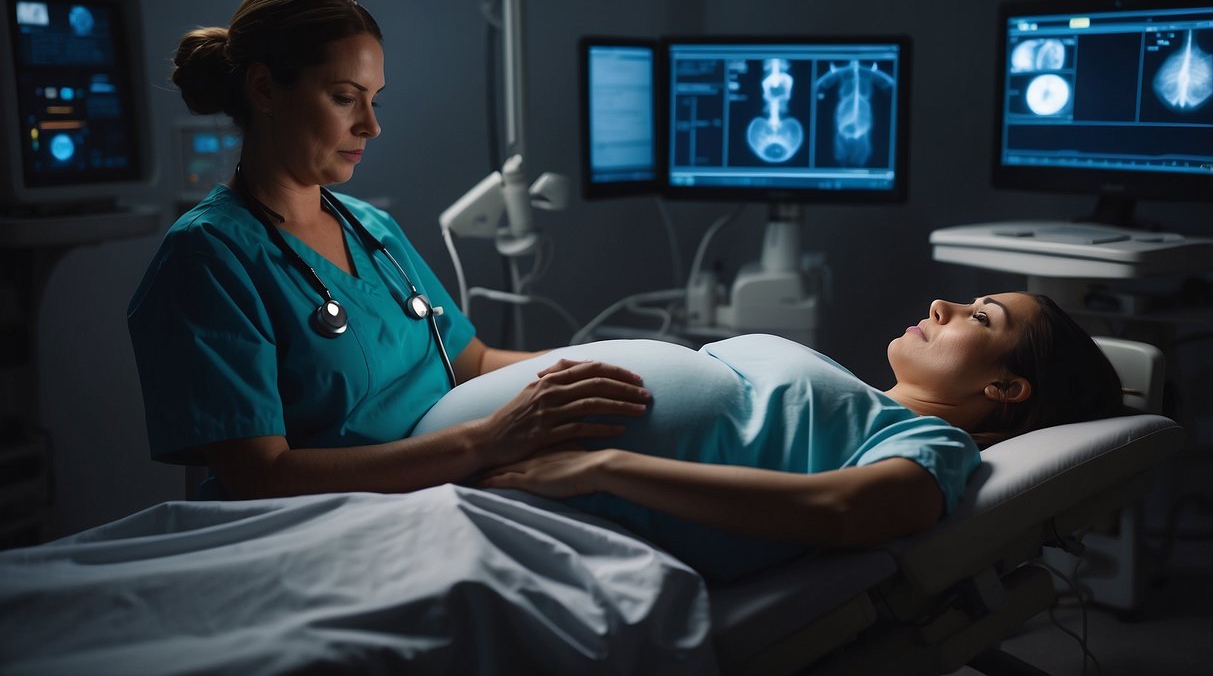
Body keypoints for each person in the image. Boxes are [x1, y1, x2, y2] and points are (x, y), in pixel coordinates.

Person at [127, 0, 652, 500]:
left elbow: (472, 361)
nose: (371, 126)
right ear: (264, 88)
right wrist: (485, 441)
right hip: (324, 526)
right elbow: (260, 475)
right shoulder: (209, 257)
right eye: (344, 98)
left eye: (376, 100)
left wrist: (602, 365)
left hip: (446, 490)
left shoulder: (370, 228)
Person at [413, 292, 1126, 581]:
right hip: (463, 480)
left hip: (517, 518)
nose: (944, 303)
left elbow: (844, 510)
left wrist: (604, 466)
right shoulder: (853, 398)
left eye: (981, 317)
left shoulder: (935, 446)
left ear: (1004, 390)